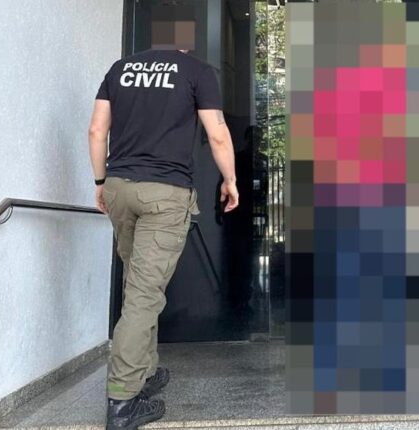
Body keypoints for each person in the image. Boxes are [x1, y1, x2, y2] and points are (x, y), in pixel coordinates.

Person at [88, 43, 239, 429]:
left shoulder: (120, 68)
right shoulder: (196, 71)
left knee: (138, 285)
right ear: (183, 45)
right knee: (144, 294)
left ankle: (144, 371)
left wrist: (101, 182)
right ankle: (122, 400)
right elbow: (218, 134)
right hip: (164, 193)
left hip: (119, 188)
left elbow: (97, 130)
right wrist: (230, 179)